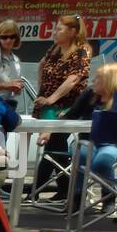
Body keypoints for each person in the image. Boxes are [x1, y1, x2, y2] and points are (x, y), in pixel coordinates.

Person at [37, 62, 117, 215]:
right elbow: (71, 116)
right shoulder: (89, 94)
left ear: (110, 81)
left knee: (103, 161)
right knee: (82, 155)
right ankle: (76, 197)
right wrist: (49, 130)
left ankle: (108, 198)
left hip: (112, 143)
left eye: (98, 79)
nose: (92, 82)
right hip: (87, 140)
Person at [33, 15, 92, 200]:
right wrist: (42, 89)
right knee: (54, 147)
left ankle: (36, 189)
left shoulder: (82, 51)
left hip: (68, 107)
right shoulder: (55, 49)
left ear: (72, 32)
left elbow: (74, 79)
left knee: (53, 144)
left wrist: (51, 98)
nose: (55, 32)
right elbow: (42, 64)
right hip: (49, 105)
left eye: (59, 29)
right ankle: (65, 190)